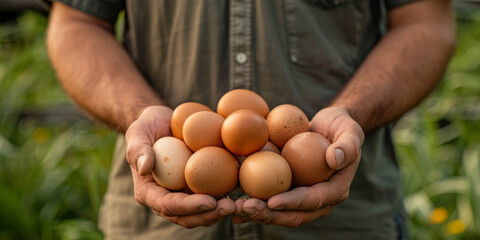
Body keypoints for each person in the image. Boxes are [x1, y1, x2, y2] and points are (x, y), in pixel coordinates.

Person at [46, 0, 456, 239]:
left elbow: (425, 21)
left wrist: (351, 115)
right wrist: (140, 115)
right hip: (156, 230)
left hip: (348, 226)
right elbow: (77, 23)